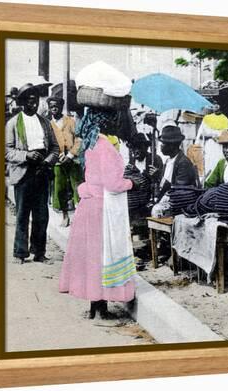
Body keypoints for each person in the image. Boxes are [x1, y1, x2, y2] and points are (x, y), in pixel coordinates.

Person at [59, 106, 144, 320]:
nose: (117, 123)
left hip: (88, 206)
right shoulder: (105, 146)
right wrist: (133, 183)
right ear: (105, 123)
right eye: (114, 120)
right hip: (100, 209)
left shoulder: (90, 143)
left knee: (92, 257)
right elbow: (112, 184)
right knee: (103, 256)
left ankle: (95, 305)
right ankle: (101, 305)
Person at [5, 83, 59, 264]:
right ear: (21, 103)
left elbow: (54, 147)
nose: (33, 105)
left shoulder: (44, 122)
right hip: (23, 172)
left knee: (41, 214)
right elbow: (7, 151)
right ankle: (20, 253)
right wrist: (26, 155)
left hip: (42, 171)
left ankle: (39, 252)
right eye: (29, 102)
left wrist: (48, 160)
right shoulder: (13, 123)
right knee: (22, 214)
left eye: (35, 101)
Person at [47, 96, 83, 227]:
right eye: (51, 106)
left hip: (73, 160)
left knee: (77, 188)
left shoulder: (70, 121)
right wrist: (57, 156)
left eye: (56, 106)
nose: (54, 108)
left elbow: (79, 139)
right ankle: (65, 215)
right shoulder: (48, 124)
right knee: (60, 189)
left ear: (61, 107)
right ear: (49, 108)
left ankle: (80, 216)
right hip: (58, 161)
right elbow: (48, 144)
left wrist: (71, 155)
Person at [150, 124, 199, 217]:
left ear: (172, 145)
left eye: (163, 143)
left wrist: (160, 177)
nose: (161, 146)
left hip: (181, 204)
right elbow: (164, 185)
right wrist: (158, 176)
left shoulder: (183, 163)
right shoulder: (168, 161)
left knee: (155, 212)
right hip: (169, 199)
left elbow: (179, 190)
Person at [125, 132, 164, 217]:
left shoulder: (154, 159)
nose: (136, 151)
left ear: (146, 147)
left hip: (149, 198)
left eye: (139, 147)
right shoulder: (132, 162)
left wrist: (156, 175)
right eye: (134, 148)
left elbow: (161, 180)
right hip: (136, 199)